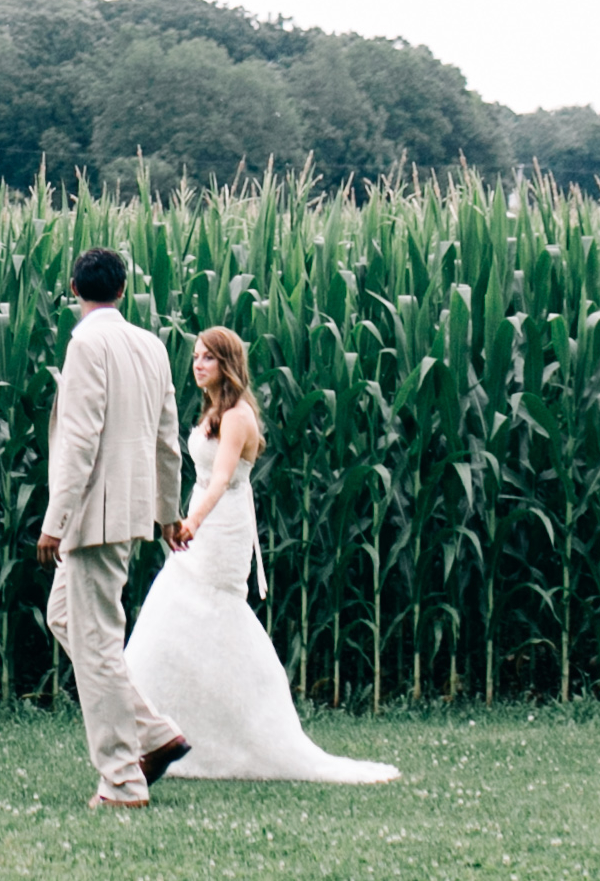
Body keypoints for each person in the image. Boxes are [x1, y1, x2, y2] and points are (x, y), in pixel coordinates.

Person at [121, 326, 398, 784]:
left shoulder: (236, 416)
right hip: (204, 519)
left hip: (220, 524)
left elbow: (221, 479)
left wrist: (192, 523)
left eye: (208, 357)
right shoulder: (215, 411)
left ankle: (190, 733)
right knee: (177, 619)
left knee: (201, 614)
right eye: (195, 356)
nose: (198, 364)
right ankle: (161, 733)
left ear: (227, 363)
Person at [37, 245, 190, 807]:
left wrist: (56, 521)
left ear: (74, 290)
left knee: (97, 642)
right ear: (122, 290)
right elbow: (166, 439)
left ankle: (122, 779)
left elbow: (79, 438)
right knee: (65, 618)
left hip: (92, 514)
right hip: (128, 511)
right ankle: (155, 732)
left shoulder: (86, 343)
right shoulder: (150, 346)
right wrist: (169, 514)